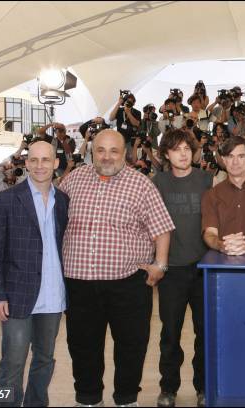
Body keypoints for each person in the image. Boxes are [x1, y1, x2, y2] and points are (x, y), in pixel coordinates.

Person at [59, 129, 175, 407]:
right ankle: (88, 399)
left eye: (114, 151)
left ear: (124, 154)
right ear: (92, 152)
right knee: (83, 345)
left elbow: (162, 229)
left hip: (128, 283)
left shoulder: (141, 184)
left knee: (131, 345)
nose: (107, 156)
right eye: (100, 150)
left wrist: (160, 264)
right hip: (79, 282)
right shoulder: (73, 180)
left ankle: (126, 399)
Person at [0, 141, 69, 407]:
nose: (40, 165)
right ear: (26, 163)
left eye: (46, 160)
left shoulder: (64, 201)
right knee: (13, 362)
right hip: (17, 295)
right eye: (34, 160)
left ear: (56, 163)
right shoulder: (5, 200)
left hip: (54, 296)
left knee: (45, 360)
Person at [152, 129, 213, 408]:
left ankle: (203, 387)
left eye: (187, 147)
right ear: (166, 154)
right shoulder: (158, 182)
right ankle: (168, 388)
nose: (183, 153)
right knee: (170, 334)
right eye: (176, 149)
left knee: (204, 333)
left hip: (203, 268)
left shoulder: (206, 179)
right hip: (172, 270)